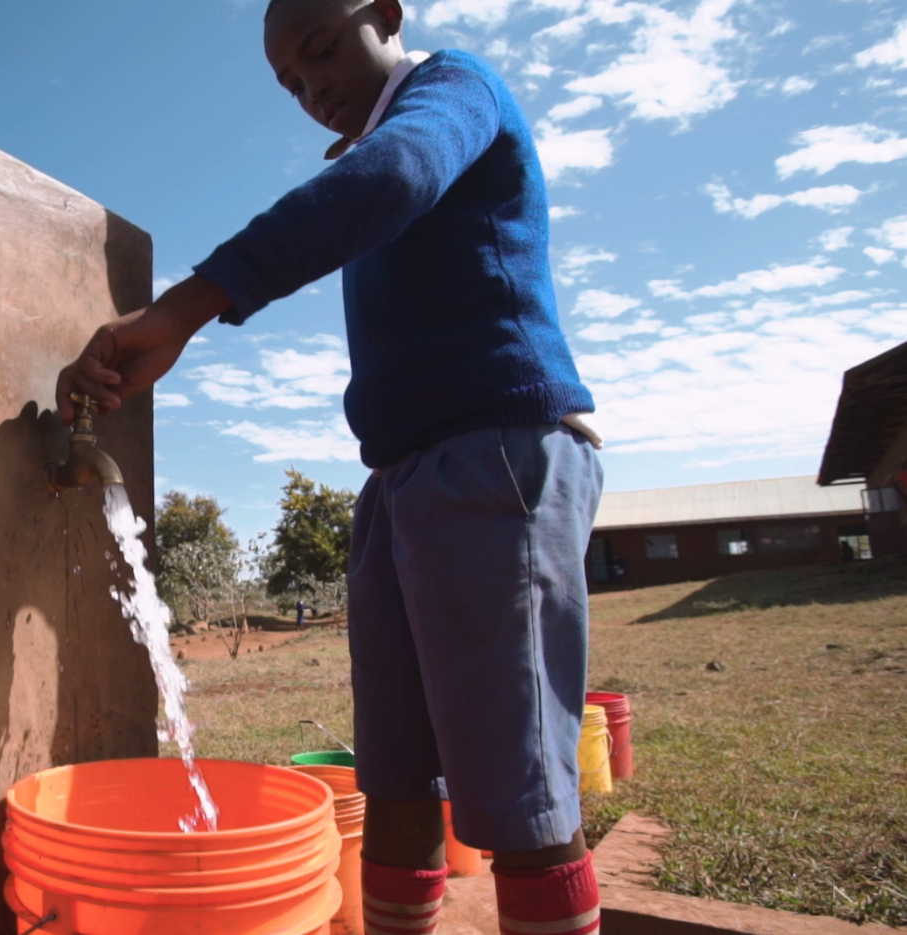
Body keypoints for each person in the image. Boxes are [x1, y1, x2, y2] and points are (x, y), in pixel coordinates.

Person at [56, 3, 604, 933]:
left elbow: (389, 179)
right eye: (291, 85)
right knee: (393, 776)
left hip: (491, 456)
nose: (313, 93)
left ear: (384, 14)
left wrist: (186, 307)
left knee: (518, 792)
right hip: (400, 477)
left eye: (319, 54)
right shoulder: (369, 150)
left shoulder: (449, 92)